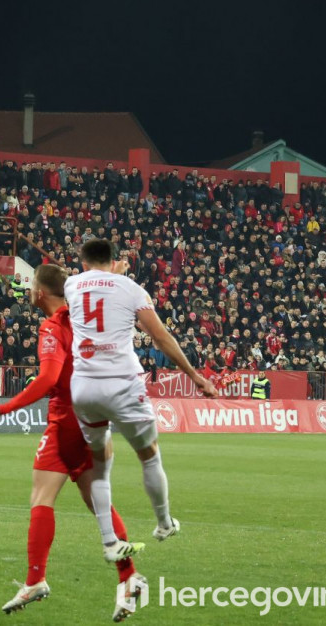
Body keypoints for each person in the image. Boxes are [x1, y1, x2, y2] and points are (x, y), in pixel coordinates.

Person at [0, 264, 145, 621]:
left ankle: (36, 580)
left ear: (40, 293)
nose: (29, 291)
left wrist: (5, 407)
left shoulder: (53, 326)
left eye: (32, 286)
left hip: (68, 420)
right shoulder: (85, 320)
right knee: (95, 499)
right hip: (96, 414)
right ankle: (129, 577)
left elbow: (47, 378)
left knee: (42, 496)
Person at [65, 239, 217, 562]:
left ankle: (109, 541)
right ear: (114, 261)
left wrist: (112, 274)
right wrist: (195, 377)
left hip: (85, 386)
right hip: (122, 384)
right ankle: (164, 523)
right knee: (149, 456)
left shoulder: (71, 285)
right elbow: (160, 338)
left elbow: (97, 285)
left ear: (83, 264)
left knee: (99, 466)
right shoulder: (133, 289)